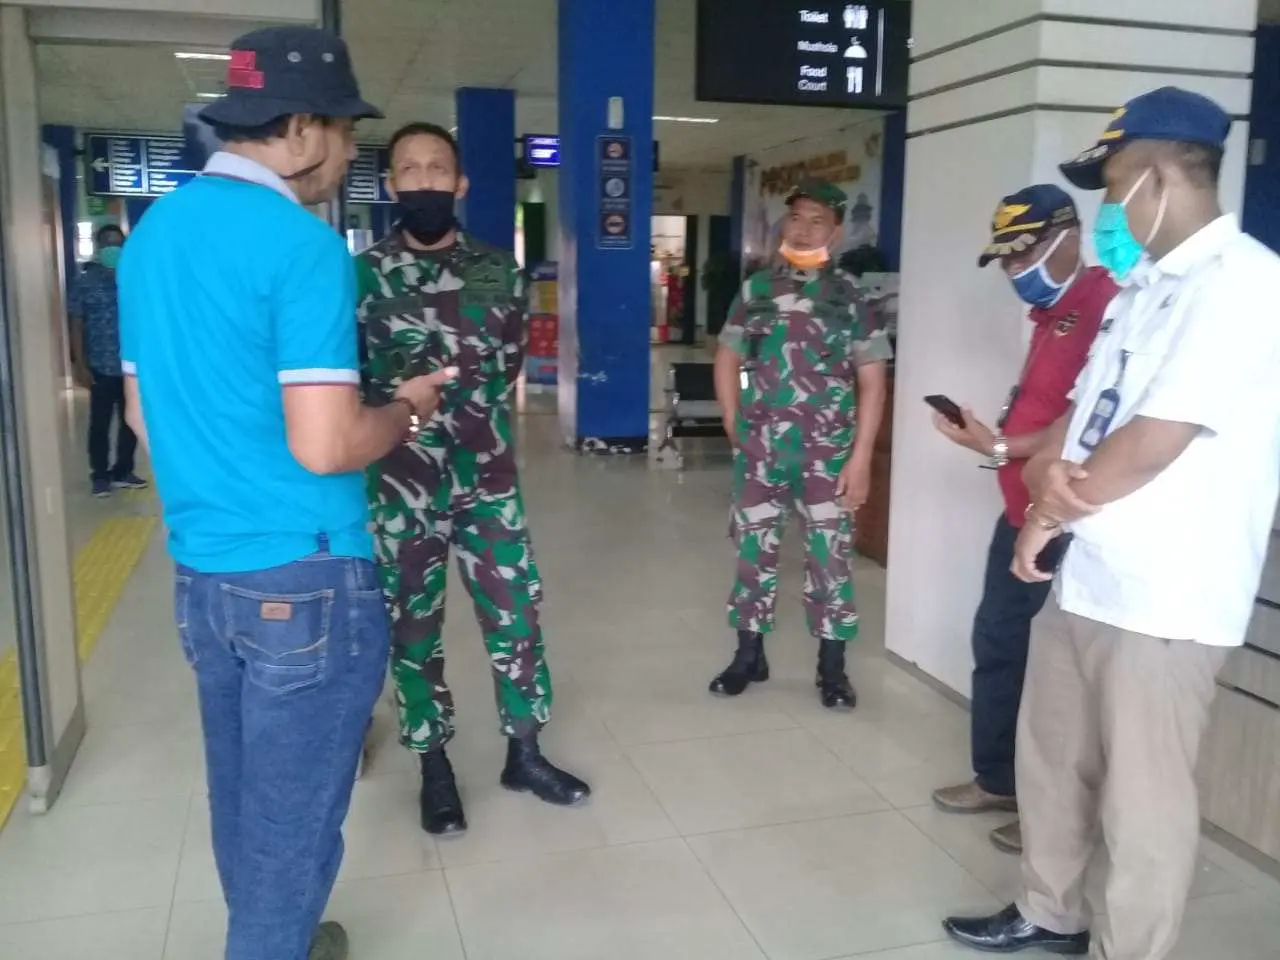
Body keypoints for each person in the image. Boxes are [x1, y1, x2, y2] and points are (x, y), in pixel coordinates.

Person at [119, 27, 453, 960]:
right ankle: (271, 941)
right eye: (348, 133)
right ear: (302, 129)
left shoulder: (152, 237)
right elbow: (327, 444)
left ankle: (283, 935)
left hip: (203, 577)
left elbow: (145, 419)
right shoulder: (303, 248)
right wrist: (406, 411)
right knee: (292, 826)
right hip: (305, 575)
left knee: (242, 798)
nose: (350, 156)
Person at [944, 87, 1280, 958]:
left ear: (1163, 174)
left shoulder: (1246, 284)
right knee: (1052, 764)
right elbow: (1088, 416)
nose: (1109, 205)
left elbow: (1153, 439)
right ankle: (1049, 914)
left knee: (1144, 803)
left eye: (1118, 180)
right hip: (1091, 575)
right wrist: (1039, 512)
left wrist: (1052, 503)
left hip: (1168, 600)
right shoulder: (1141, 289)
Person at [356, 122, 589, 837]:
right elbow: (346, 383)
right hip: (399, 485)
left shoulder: (499, 271)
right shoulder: (359, 277)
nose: (424, 180)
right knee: (412, 629)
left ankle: (525, 751)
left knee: (515, 616)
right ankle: (433, 768)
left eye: (438, 168)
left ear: (460, 184)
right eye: (409, 169)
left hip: (486, 478)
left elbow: (510, 364)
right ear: (392, 185)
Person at [930, 186, 1116, 856]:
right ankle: (999, 778)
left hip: (1064, 517)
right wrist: (997, 444)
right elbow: (1044, 415)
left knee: (1057, 672)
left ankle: (1054, 812)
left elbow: (1087, 428)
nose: (1015, 269)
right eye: (1005, 258)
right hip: (1020, 510)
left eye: (1025, 252)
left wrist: (1003, 448)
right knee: (1000, 641)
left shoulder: (1104, 304)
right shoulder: (1052, 313)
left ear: (1070, 234)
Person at [711, 178, 891, 709]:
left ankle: (831, 668)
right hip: (762, 451)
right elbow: (726, 356)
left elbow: (873, 380)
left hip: (826, 454)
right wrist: (731, 421)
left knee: (830, 559)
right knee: (752, 554)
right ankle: (749, 655)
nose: (804, 228)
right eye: (796, 217)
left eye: (817, 220)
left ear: (835, 231)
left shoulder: (852, 297)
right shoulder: (756, 290)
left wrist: (860, 459)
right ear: (783, 224)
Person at [68, 223, 147, 498]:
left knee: (131, 422)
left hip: (132, 368)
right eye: (108, 245)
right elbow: (77, 323)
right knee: (99, 424)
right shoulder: (85, 282)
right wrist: (79, 364)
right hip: (100, 366)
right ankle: (99, 475)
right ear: (100, 248)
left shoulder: (137, 279)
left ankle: (123, 470)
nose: (114, 249)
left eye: (118, 245)